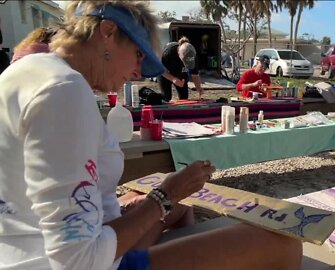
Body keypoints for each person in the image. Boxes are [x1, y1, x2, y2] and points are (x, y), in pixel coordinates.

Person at [0, 1, 302, 270]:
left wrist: (151, 203)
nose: (137, 73)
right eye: (137, 56)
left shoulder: (27, 71)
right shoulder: (63, 90)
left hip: (30, 246)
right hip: (79, 260)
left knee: (180, 203)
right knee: (284, 244)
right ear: (107, 32)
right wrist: (162, 197)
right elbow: (78, 260)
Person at [159, 36, 204, 101]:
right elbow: (160, 71)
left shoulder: (193, 55)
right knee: (166, 97)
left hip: (181, 74)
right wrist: (173, 79)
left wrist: (199, 89)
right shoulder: (167, 54)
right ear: (179, 54)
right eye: (185, 62)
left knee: (184, 97)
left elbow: (195, 75)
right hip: (165, 74)